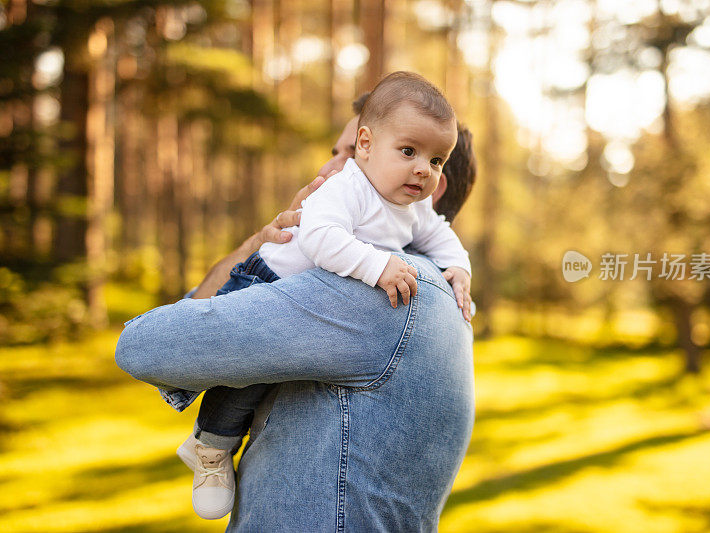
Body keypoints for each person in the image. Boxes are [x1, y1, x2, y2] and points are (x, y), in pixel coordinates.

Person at [116, 77, 478, 531]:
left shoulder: (385, 288)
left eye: (346, 154)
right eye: (340, 151)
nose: (330, 170)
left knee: (237, 382)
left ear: (431, 182)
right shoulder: (440, 300)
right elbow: (214, 308)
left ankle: (211, 442)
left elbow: (146, 344)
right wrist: (265, 242)